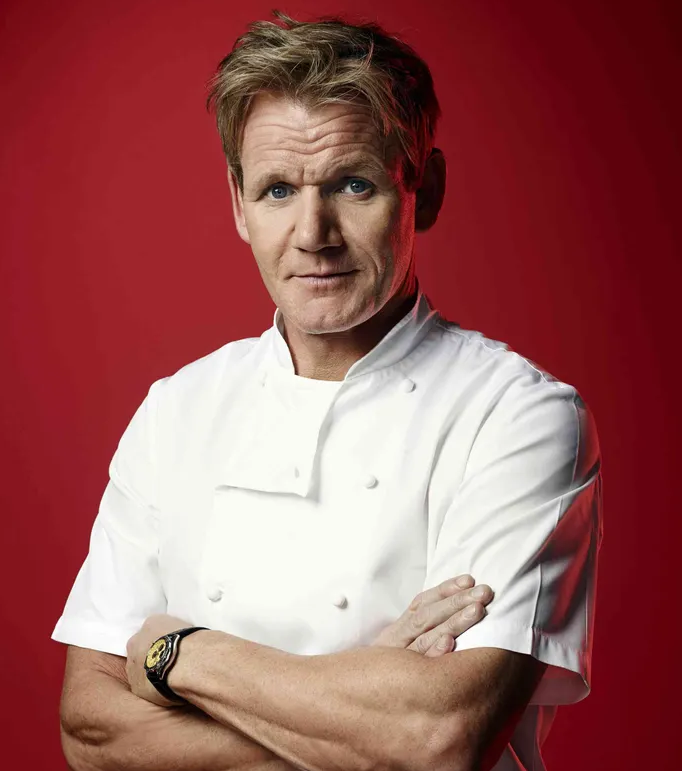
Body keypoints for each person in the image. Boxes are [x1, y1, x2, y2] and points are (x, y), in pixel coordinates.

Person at [52, 11, 603, 771]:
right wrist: (366, 713)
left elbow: (438, 739)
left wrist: (175, 653)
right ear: (238, 204)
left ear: (425, 189)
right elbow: (89, 732)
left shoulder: (518, 416)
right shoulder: (175, 411)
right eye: (278, 190)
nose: (313, 233)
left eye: (353, 184)